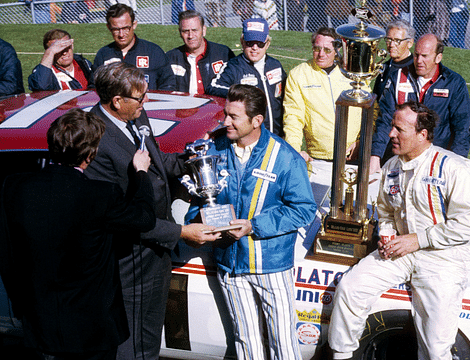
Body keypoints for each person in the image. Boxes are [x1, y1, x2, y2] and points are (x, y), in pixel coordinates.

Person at [328, 101, 470, 360]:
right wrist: (387, 233)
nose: (391, 134)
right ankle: (342, 355)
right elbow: (386, 211)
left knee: (436, 346)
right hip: (400, 252)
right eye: (392, 127)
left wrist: (419, 239)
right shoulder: (391, 167)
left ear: (422, 135)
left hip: (443, 258)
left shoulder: (454, 167)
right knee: (350, 288)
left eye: (399, 129)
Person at [0, 108, 156, 360]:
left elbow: (8, 256)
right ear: (90, 155)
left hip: (39, 323)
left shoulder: (14, 186)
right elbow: (145, 219)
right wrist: (141, 173)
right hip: (93, 331)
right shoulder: (102, 195)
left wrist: (23, 308)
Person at [85, 62, 212, 360]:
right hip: (129, 261)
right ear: (117, 101)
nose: (145, 104)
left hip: (155, 255)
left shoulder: (136, 118)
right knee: (131, 343)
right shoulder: (95, 139)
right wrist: (181, 232)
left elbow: (157, 162)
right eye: (140, 98)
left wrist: (191, 159)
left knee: (149, 338)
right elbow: (119, 215)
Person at [187, 84, 316, 360]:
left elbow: (304, 209)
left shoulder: (285, 158)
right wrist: (198, 221)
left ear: (257, 121)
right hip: (230, 264)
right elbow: (198, 199)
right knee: (245, 343)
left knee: (283, 344)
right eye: (226, 114)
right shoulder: (214, 149)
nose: (226, 121)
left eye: (234, 116)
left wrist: (254, 225)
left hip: (270, 265)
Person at [370, 34, 470, 174]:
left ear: (438, 57)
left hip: (435, 162)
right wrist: (375, 156)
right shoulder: (398, 78)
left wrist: (458, 163)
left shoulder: (454, 83)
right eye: (416, 55)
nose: (419, 61)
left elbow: (462, 127)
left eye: (425, 56)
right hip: (400, 158)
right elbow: (385, 119)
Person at [283, 27, 365, 162]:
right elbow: (293, 117)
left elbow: (370, 110)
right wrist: (295, 150)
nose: (321, 54)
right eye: (317, 49)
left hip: (354, 154)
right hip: (318, 157)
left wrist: (361, 142)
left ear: (337, 50)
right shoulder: (298, 74)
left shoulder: (352, 72)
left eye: (327, 50)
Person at [209, 18, 286, 137]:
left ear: (267, 44)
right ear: (242, 42)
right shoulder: (234, 66)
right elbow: (213, 87)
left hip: (277, 134)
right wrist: (242, 93)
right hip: (250, 137)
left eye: (260, 43)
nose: (255, 48)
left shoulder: (275, 65)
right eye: (250, 43)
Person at [94, 4, 175, 91]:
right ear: (109, 28)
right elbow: (93, 88)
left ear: (134, 25)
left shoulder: (153, 52)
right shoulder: (104, 54)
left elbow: (168, 85)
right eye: (116, 29)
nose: (121, 34)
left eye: (126, 28)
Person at [166, 10, 234, 95]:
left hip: (216, 106)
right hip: (184, 106)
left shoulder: (223, 54)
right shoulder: (171, 58)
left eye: (195, 30)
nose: (190, 36)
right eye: (186, 31)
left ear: (204, 30)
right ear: (180, 32)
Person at [28, 29, 94, 91]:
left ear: (72, 46)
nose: (64, 53)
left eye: (67, 47)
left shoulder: (83, 63)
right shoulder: (45, 71)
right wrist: (50, 52)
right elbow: (41, 86)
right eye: (58, 50)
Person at [373, 19, 415, 100]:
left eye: (397, 41)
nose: (391, 45)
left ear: (409, 43)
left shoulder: (417, 68)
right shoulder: (383, 68)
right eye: (389, 40)